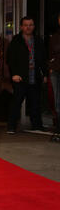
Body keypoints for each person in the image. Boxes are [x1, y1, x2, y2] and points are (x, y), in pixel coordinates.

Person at [6, 16, 48, 134]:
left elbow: (43, 59)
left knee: (35, 102)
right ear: (21, 27)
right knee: (16, 102)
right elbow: (10, 59)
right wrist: (14, 74)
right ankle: (11, 127)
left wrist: (44, 74)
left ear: (34, 27)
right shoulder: (16, 40)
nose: (28, 27)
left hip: (35, 76)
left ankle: (37, 126)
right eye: (26, 25)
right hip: (20, 76)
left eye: (30, 25)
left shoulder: (38, 40)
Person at [49, 12, 60, 142]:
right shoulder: (55, 37)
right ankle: (58, 130)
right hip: (56, 71)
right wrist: (51, 68)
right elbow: (50, 53)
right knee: (57, 103)